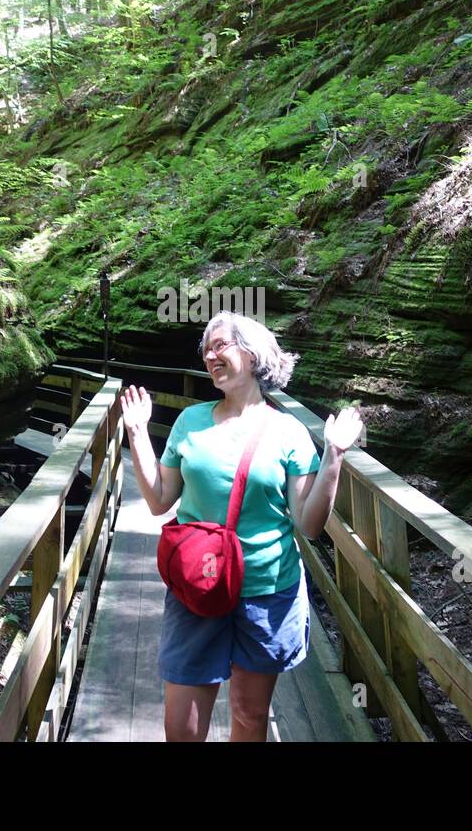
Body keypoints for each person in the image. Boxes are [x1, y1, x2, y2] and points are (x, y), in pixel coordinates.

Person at [120, 309, 363, 741]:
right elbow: (159, 501)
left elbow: (309, 524)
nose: (211, 356)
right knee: (182, 728)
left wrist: (335, 456)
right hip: (198, 587)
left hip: (266, 592)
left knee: (250, 718)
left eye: (220, 346)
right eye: (206, 350)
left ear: (251, 354)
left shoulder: (288, 432)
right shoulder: (189, 422)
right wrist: (138, 433)